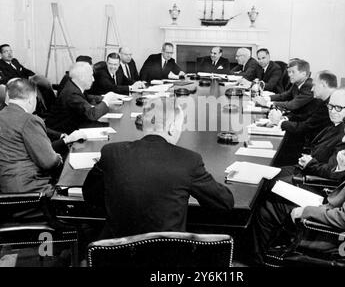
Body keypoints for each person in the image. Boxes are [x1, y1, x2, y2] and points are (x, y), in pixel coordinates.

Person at [252, 110, 345, 265]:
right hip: (332, 207)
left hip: (339, 238)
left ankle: (260, 261)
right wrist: (342, 168)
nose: (344, 139)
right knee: (275, 195)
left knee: (268, 206)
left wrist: (306, 211)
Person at [83, 98, 234, 239]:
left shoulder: (111, 152)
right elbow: (225, 203)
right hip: (166, 257)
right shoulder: (189, 161)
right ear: (171, 127)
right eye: (180, 126)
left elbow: (90, 196)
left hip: (114, 256)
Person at [270, 88, 345, 188]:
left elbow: (332, 171)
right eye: (330, 106)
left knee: (268, 183)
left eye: (338, 107)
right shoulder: (335, 125)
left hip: (312, 181)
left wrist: (310, 163)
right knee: (267, 175)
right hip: (304, 170)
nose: (332, 111)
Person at [0, 79, 62, 197]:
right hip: (31, 189)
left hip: (6, 188)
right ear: (30, 100)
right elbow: (48, 162)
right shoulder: (29, 120)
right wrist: (59, 159)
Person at [45, 62, 122, 134]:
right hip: (65, 132)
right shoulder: (72, 94)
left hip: (76, 124)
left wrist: (103, 98)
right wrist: (106, 101)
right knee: (114, 128)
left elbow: (87, 98)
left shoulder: (73, 86)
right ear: (82, 78)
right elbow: (92, 115)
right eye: (91, 76)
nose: (93, 79)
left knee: (111, 126)